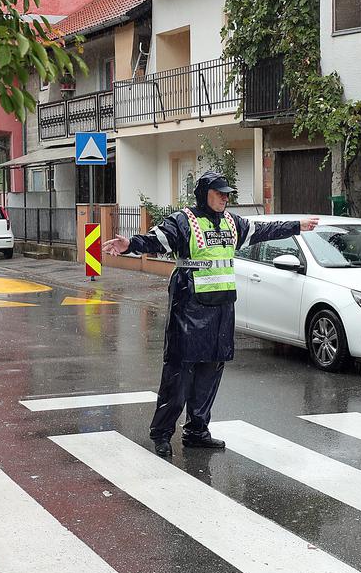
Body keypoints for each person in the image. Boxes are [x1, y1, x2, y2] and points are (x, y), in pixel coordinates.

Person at [103, 170, 319, 457]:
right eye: (219, 193)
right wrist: (130, 244)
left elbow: (265, 230)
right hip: (188, 308)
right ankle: (162, 434)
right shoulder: (183, 221)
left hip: (220, 311)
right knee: (178, 375)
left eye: (227, 194)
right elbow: (157, 240)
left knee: (210, 373)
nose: (224, 198)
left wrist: (297, 226)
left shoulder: (232, 223)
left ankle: (197, 431)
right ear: (204, 193)